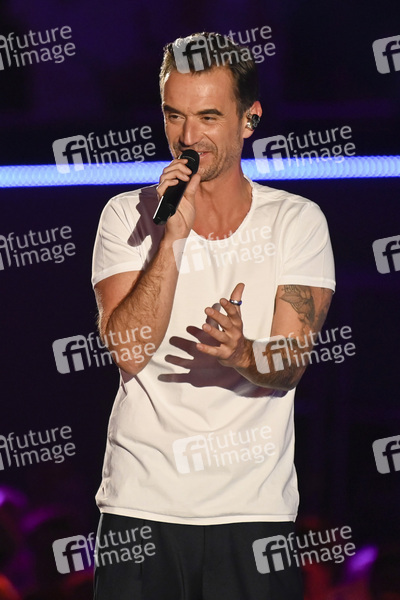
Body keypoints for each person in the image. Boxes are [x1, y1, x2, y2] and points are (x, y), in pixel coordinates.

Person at [91, 32, 335, 600]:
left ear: (249, 120)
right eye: (174, 115)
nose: (187, 137)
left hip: (253, 512)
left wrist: (242, 352)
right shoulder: (128, 215)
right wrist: (171, 238)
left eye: (208, 116)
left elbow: (290, 364)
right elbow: (127, 350)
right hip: (142, 507)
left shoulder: (295, 222)